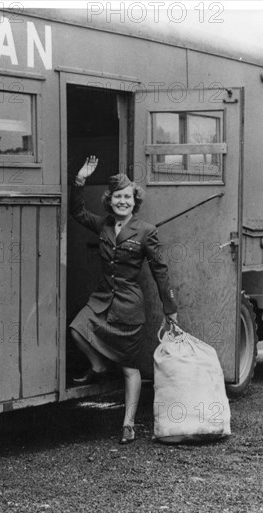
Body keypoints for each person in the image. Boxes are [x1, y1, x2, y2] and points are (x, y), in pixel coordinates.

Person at [69, 155, 178, 444]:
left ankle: (128, 423)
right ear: (110, 200)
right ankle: (99, 365)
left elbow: (159, 270)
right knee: (77, 329)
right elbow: (77, 212)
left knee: (130, 367)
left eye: (127, 197)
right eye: (117, 197)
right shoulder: (103, 225)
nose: (122, 202)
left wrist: (170, 309)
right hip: (102, 299)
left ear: (135, 200)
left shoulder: (146, 231)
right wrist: (80, 180)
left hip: (129, 306)